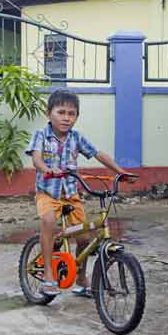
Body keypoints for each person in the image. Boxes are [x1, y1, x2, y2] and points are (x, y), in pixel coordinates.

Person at [26, 89, 130, 297]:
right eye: (61, 112)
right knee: (48, 221)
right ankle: (48, 275)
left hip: (71, 194)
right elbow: (36, 159)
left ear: (77, 117)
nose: (66, 118)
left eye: (71, 113)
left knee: (85, 238)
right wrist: (47, 170)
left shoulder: (76, 138)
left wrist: (120, 171)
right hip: (48, 192)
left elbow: (98, 153)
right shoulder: (41, 135)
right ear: (49, 114)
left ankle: (81, 280)